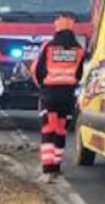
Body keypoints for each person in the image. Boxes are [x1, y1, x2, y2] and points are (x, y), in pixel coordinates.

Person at [30, 12, 86, 184]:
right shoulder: (79, 50)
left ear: (57, 26)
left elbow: (36, 70)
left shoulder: (48, 46)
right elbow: (79, 74)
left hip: (50, 95)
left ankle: (47, 171)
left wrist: (43, 87)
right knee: (60, 130)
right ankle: (56, 168)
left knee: (48, 130)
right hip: (67, 97)